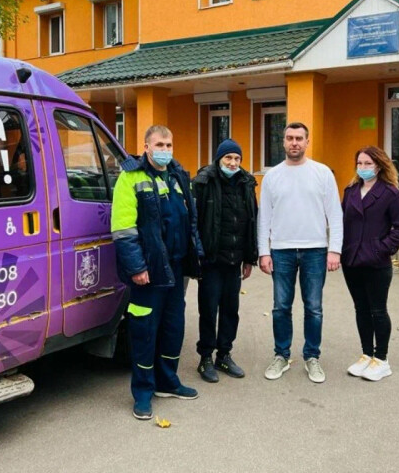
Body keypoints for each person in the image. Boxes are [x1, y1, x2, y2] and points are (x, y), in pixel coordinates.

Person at [111, 125, 204, 419]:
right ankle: (142, 391)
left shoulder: (178, 175)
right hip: (148, 272)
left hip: (176, 269)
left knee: (173, 328)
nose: (165, 149)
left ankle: (168, 382)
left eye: (169, 143)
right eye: (160, 144)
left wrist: (196, 258)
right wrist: (137, 267)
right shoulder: (130, 178)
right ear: (146, 147)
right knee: (144, 331)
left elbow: (190, 224)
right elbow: (123, 230)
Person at [258, 122, 343, 383]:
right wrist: (264, 251)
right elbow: (264, 217)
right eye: (289, 138)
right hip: (281, 250)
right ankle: (281, 355)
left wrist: (335, 250)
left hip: (315, 250)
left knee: (314, 307)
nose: (294, 143)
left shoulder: (322, 173)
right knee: (280, 307)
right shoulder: (272, 176)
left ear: (307, 142)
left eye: (299, 138)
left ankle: (312, 357)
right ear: (283, 142)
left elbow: (335, 214)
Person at [340, 146, 399, 382]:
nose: (363, 168)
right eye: (359, 163)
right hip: (351, 260)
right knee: (361, 309)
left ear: (379, 165)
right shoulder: (350, 191)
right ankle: (366, 354)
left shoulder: (389, 193)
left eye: (367, 164)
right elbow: (343, 223)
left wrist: (380, 249)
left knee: (378, 310)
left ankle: (381, 359)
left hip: (376, 263)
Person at [193, 138, 258, 383]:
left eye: (237, 158)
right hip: (210, 260)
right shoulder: (203, 182)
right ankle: (206, 357)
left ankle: (224, 354)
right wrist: (197, 256)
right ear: (218, 159)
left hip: (235, 260)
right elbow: (194, 223)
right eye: (228, 158)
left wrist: (249, 257)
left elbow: (252, 220)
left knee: (231, 310)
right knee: (208, 310)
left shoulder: (246, 184)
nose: (232, 162)